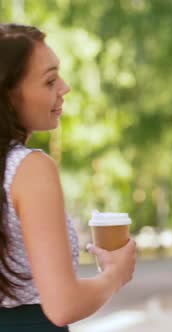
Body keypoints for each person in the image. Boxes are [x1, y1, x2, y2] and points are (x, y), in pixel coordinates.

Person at [0, 24, 136, 331]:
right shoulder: (28, 168)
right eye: (50, 80)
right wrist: (115, 273)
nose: (64, 87)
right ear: (8, 95)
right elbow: (63, 305)